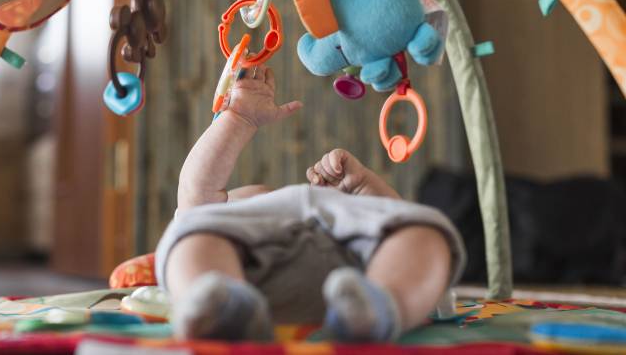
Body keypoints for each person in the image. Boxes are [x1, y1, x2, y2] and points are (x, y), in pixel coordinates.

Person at [154, 64, 465, 342]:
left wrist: (361, 185)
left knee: (423, 235)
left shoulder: (338, 212)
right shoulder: (227, 222)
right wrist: (237, 119)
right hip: (247, 277)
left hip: (359, 274)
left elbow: (397, 220)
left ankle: (380, 306)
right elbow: (196, 194)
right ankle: (222, 307)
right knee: (193, 239)